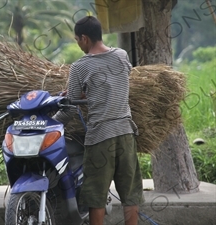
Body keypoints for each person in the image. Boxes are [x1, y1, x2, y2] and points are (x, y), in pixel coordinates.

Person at [53, 16, 144, 225]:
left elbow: (69, 108)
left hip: (100, 138)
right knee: (130, 194)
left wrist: (50, 124)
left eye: (77, 40)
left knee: (96, 197)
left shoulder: (79, 67)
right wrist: (91, 91)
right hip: (125, 133)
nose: (78, 44)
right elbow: (114, 83)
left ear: (84, 38)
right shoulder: (122, 56)